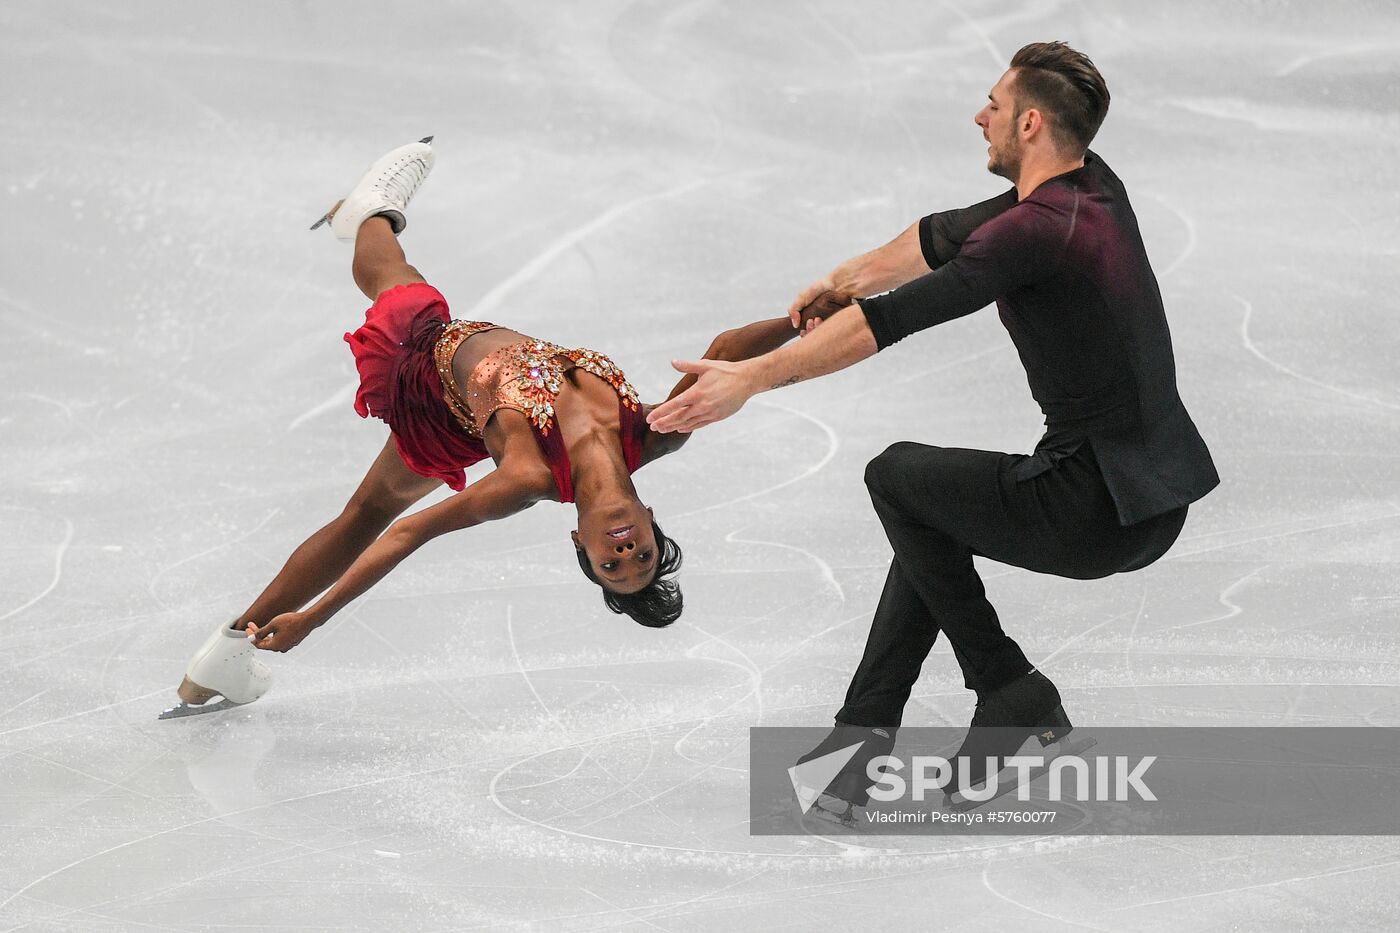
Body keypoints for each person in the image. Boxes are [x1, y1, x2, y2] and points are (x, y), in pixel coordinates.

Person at [647, 42, 1220, 815]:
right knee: (927, 518)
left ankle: (1008, 692)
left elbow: (894, 319)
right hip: (1153, 498)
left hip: (1095, 505)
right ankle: (861, 745)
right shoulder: (1087, 189)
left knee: (895, 474)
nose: (977, 115)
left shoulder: (1035, 232)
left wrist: (751, 378)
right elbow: (938, 236)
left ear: (1028, 122)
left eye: (992, 103)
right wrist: (839, 279)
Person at [158, 138, 806, 719]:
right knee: (361, 513)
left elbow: (412, 532)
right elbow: (725, 349)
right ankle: (225, 653)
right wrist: (801, 322)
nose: (624, 548)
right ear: (651, 518)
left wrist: (313, 619)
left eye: (612, 562)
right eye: (639, 553)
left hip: (428, 375)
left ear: (580, 543)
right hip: (468, 416)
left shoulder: (527, 477)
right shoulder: (657, 431)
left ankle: (369, 210)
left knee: (398, 283)